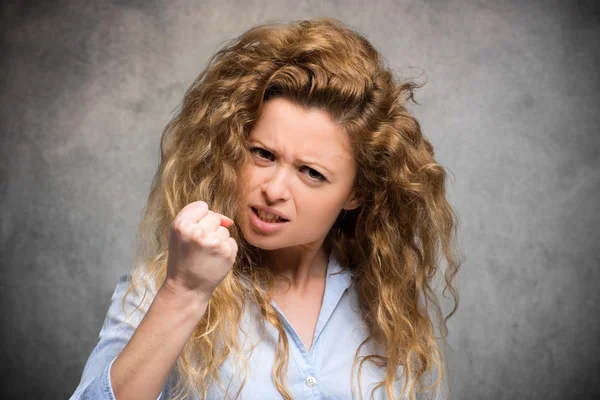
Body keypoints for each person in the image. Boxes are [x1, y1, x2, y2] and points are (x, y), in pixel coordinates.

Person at [70, 17, 461, 400]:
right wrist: (184, 292)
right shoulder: (160, 287)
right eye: (262, 154)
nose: (273, 189)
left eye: (311, 172)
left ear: (356, 192)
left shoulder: (389, 303)